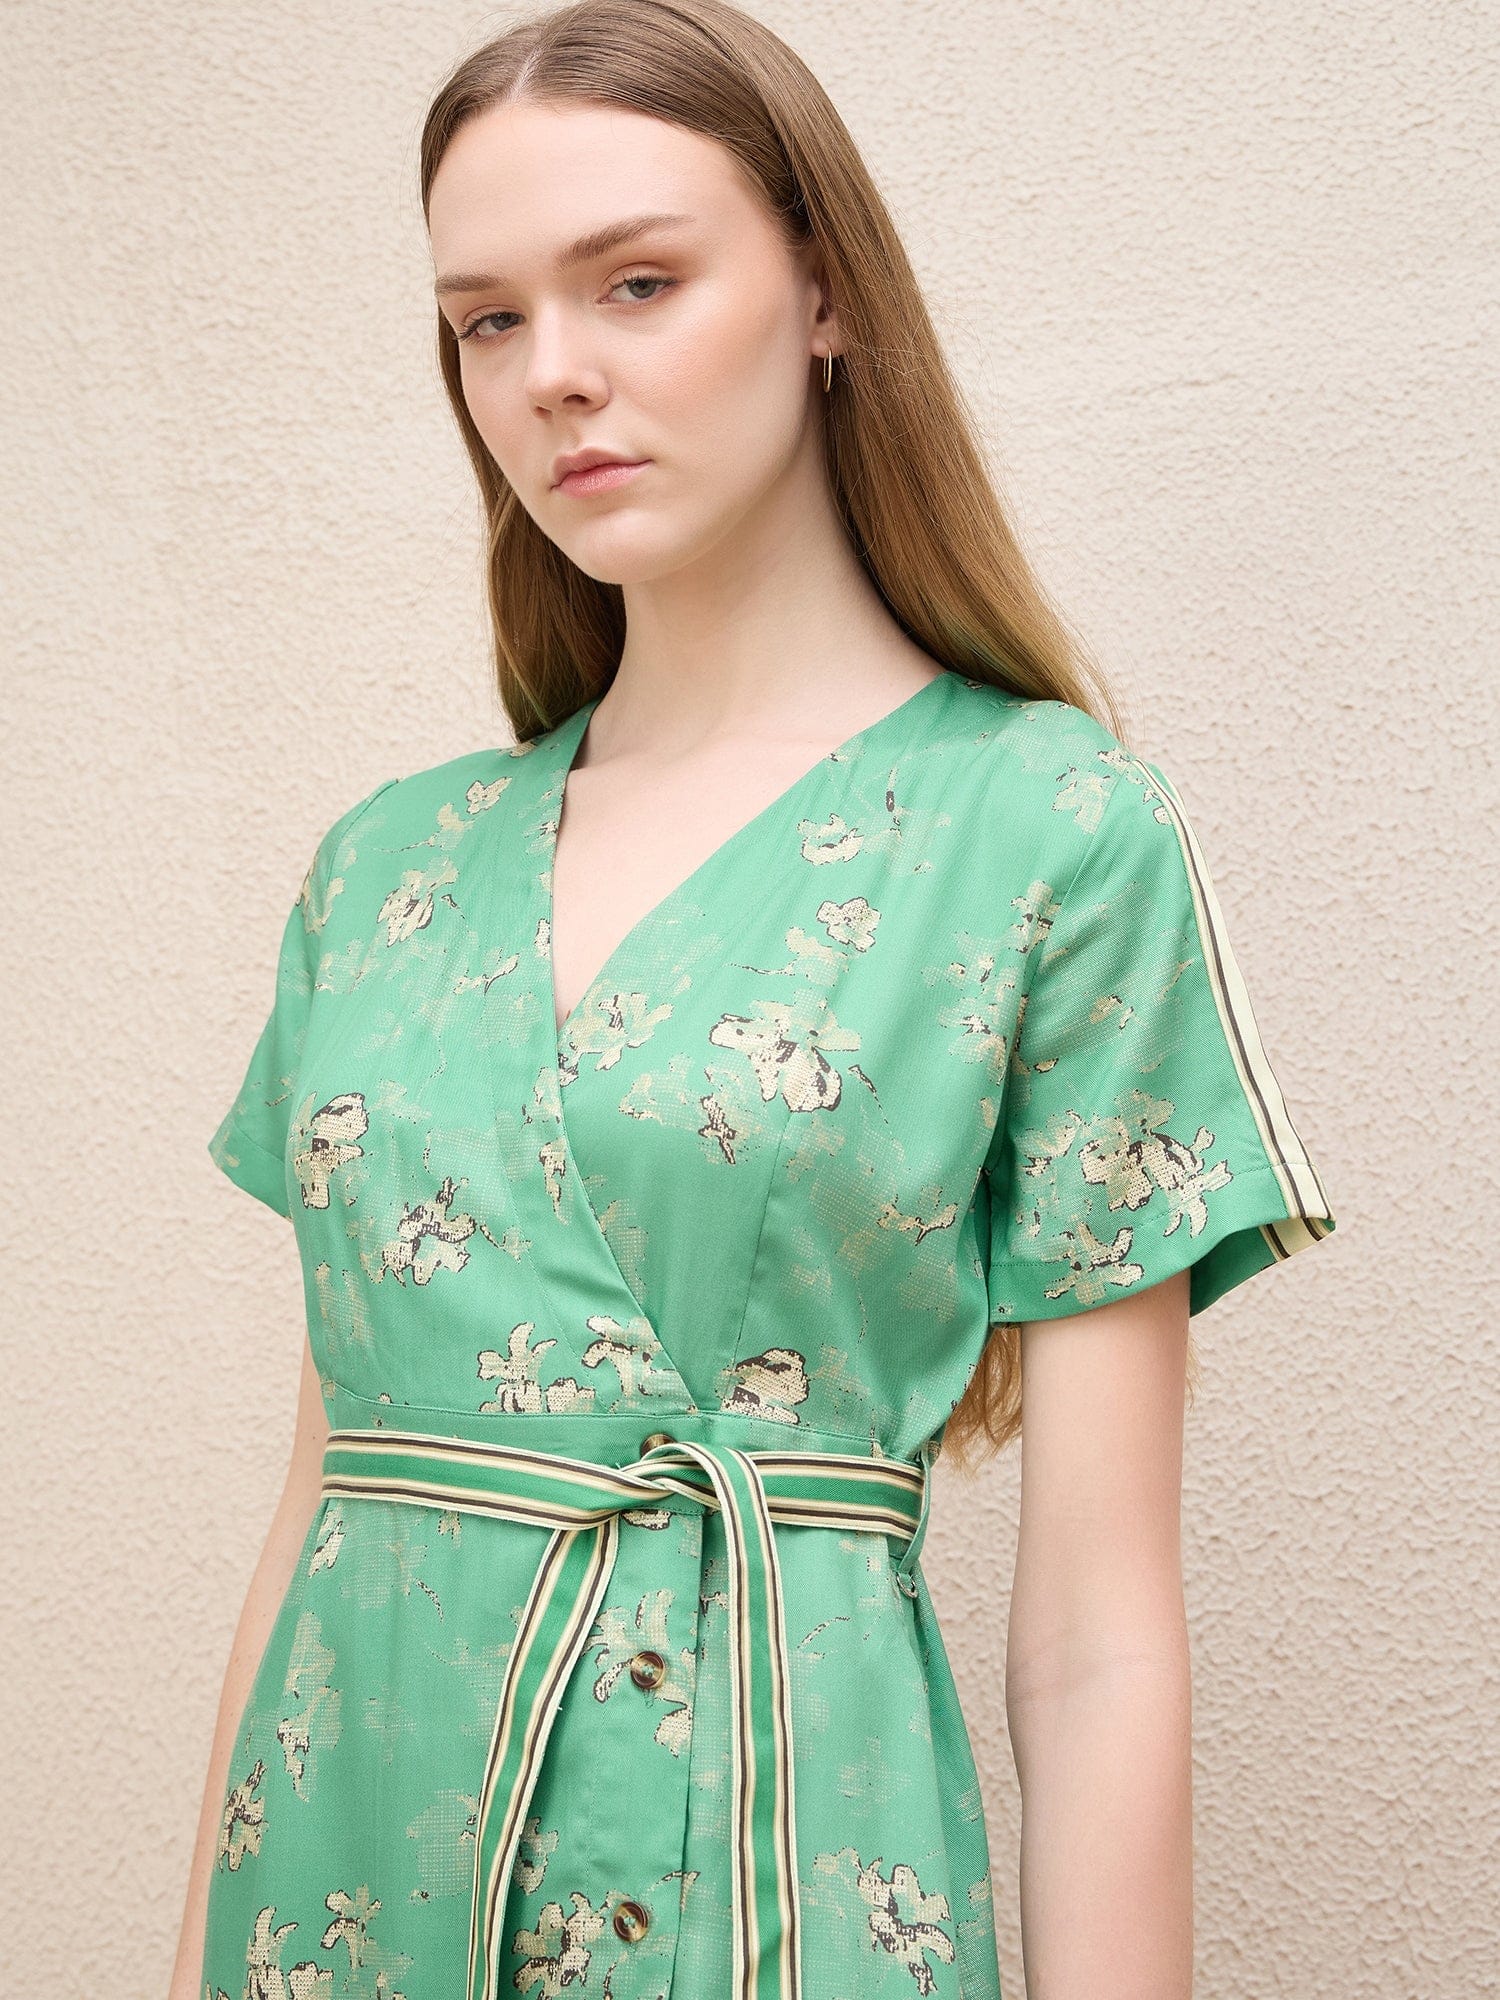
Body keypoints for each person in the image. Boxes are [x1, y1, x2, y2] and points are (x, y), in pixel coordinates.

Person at [170, 4, 1338, 1997]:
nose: (553, 373)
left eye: (636, 281)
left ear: (822, 290)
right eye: (486, 320)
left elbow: (1097, 1635)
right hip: (349, 1891)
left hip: (777, 1884)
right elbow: (327, 1500)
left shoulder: (1046, 827)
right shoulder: (383, 867)